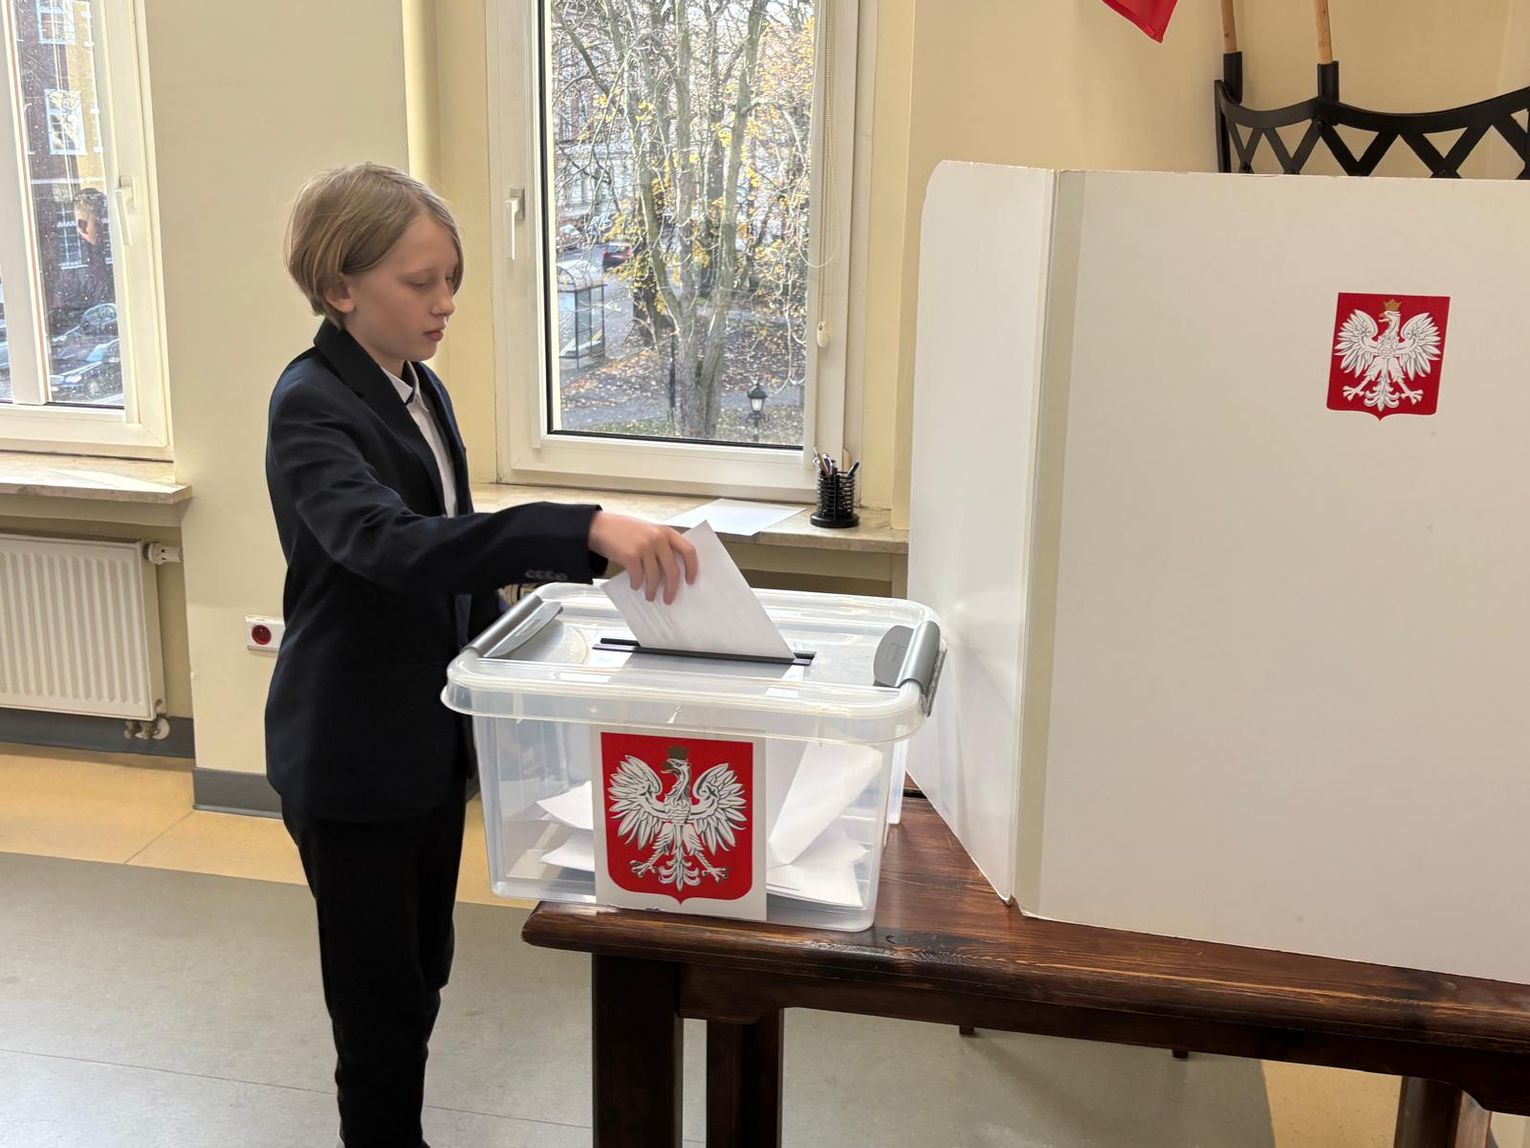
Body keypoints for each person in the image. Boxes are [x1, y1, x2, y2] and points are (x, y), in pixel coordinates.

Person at [264, 162, 697, 1148]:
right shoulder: (311, 403)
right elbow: (392, 546)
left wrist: (534, 632)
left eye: (451, 279)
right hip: (351, 750)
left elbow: (455, 555)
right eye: (421, 282)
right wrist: (580, 527)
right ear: (339, 286)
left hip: (427, 739)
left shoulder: (419, 387)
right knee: (377, 1005)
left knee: (424, 971)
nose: (445, 303)